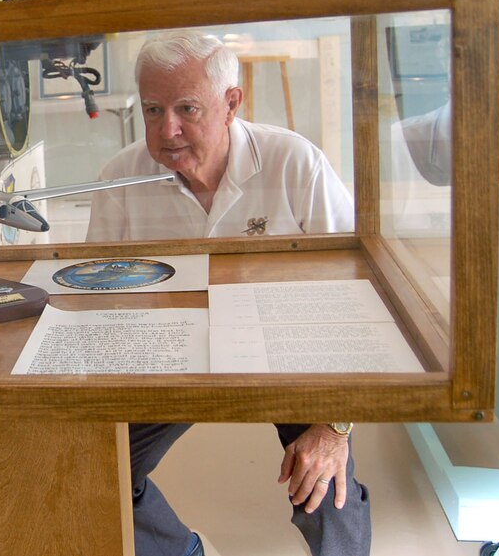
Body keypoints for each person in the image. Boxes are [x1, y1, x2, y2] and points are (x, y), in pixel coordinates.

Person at [87, 30, 368, 556]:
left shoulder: (296, 165)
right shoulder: (120, 178)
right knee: (95, 466)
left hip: (287, 347)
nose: (167, 129)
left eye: (186, 108)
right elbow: (99, 305)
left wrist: (335, 427)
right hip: (170, 353)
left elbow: (354, 298)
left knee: (326, 485)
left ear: (231, 103)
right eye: (152, 110)